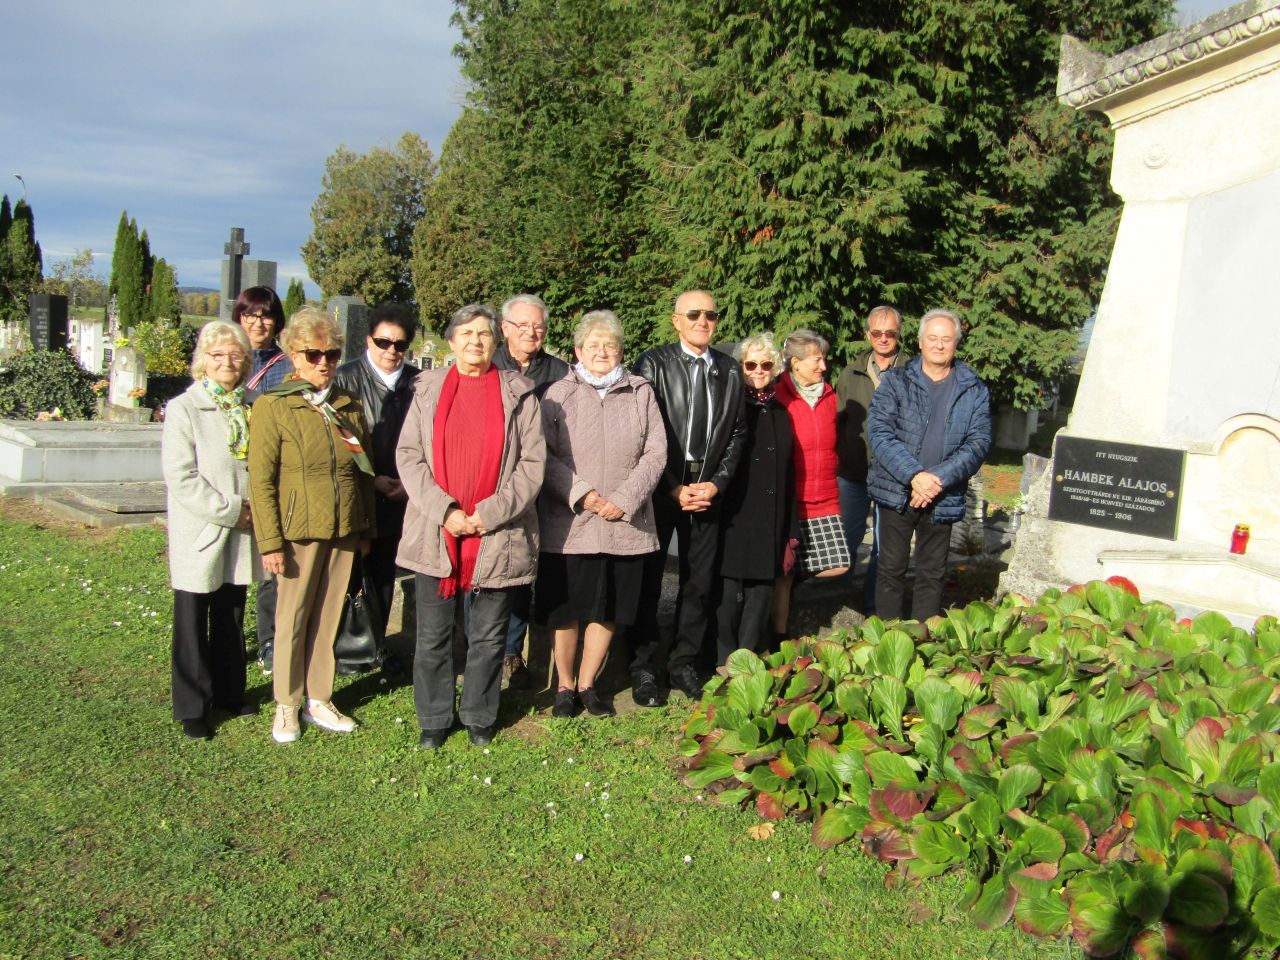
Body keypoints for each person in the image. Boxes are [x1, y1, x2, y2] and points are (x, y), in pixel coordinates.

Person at [396, 303, 545, 749]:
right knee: (432, 635)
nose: (475, 341)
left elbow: (532, 464)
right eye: (466, 333)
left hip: (497, 534)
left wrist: (490, 514)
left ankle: (479, 715)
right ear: (451, 341)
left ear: (496, 340)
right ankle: (434, 718)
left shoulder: (519, 393)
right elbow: (409, 456)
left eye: (483, 333)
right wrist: (446, 511)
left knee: (488, 636)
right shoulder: (427, 390)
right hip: (436, 531)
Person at [248, 306, 376, 744]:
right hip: (298, 530)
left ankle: (319, 697)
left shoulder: (347, 405)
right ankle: (286, 702)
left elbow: (363, 471)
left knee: (329, 613)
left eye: (332, 354)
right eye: (313, 354)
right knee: (293, 616)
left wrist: (366, 529)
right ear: (293, 355)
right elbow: (261, 481)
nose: (324, 363)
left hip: (344, 528)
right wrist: (270, 542)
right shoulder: (273, 406)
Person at [537, 310, 665, 718]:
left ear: (621, 351)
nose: (601, 351)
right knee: (567, 609)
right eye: (592, 345)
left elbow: (656, 451)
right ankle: (564, 685)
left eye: (610, 345)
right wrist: (584, 495)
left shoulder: (641, 391)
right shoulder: (557, 394)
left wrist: (625, 499)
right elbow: (542, 454)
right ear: (578, 351)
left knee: (608, 607)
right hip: (571, 523)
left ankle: (588, 683)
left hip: (624, 523)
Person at [630, 290, 746, 705]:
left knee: (698, 582)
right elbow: (642, 431)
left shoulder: (729, 370)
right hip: (663, 488)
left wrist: (716, 484)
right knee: (649, 579)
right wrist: (671, 487)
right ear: (676, 320)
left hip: (707, 489)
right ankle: (643, 666)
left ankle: (683, 663)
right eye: (693, 314)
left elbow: (738, 433)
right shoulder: (653, 363)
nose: (703, 321)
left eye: (710, 314)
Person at [162, 320, 262, 740]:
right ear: (202, 360)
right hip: (203, 529)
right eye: (217, 355)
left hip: (243, 528)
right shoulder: (184, 408)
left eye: (235, 355)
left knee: (231, 613)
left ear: (246, 361)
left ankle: (229, 693)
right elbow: (181, 476)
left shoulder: (254, 404)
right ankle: (192, 706)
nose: (226, 362)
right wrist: (231, 510)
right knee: (192, 618)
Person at [868, 308, 992, 621]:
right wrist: (914, 475)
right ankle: (889, 637)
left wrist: (937, 479)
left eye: (946, 339)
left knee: (932, 572)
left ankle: (924, 637)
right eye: (932, 338)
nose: (939, 345)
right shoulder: (895, 381)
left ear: (956, 343)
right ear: (920, 342)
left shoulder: (973, 388)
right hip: (898, 490)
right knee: (891, 569)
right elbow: (880, 432)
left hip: (942, 493)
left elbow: (978, 442)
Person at [490, 293, 569, 689]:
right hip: (494, 483)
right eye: (523, 325)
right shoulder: (488, 365)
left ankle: (512, 650)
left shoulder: (559, 371)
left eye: (538, 326)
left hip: (542, 482)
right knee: (488, 566)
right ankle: (482, 647)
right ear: (505, 328)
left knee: (522, 569)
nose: (531, 332)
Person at [334, 302, 421, 642]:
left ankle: (377, 646)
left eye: (400, 344)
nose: (391, 351)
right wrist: (371, 481)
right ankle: (345, 648)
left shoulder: (418, 382)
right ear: (369, 340)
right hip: (359, 493)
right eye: (383, 342)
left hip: (404, 494)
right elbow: (338, 439)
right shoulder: (345, 379)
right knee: (350, 577)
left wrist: (410, 483)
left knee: (385, 576)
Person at [715, 332, 795, 661]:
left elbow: (788, 472)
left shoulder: (781, 412)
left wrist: (790, 527)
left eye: (766, 364)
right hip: (734, 512)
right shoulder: (729, 406)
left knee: (761, 590)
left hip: (768, 514)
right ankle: (723, 658)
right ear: (740, 367)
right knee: (727, 589)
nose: (758, 371)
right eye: (750, 365)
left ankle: (747, 657)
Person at [233, 285, 292, 678]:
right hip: (234, 474)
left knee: (271, 565)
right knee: (234, 568)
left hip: (273, 473)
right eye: (250, 315)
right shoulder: (227, 358)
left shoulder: (285, 366)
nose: (258, 323)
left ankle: (269, 641)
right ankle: (232, 640)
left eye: (265, 315)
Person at [774, 330, 849, 630]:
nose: (823, 366)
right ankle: (778, 636)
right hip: (792, 499)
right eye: (817, 360)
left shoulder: (829, 396)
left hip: (825, 496)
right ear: (796, 363)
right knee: (783, 575)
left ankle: (792, 582)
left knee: (838, 564)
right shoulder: (778, 396)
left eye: (823, 359)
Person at [836, 306, 908, 614]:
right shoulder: (850, 373)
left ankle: (874, 608)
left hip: (893, 476)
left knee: (885, 546)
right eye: (877, 333)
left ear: (898, 334)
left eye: (890, 333)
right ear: (868, 335)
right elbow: (837, 421)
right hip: (853, 474)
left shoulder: (912, 372)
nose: (883, 338)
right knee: (845, 539)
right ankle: (835, 604)